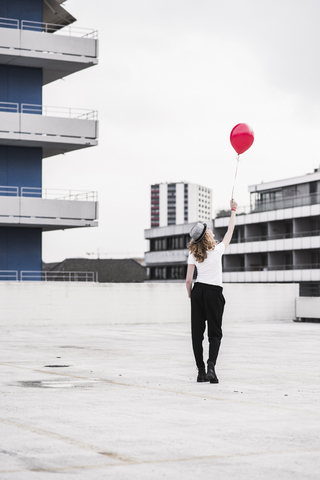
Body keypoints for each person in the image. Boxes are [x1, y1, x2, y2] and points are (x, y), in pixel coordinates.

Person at [186, 198, 238, 383]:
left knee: (197, 334)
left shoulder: (193, 254)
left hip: (198, 291)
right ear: (207, 235)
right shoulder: (217, 250)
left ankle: (200, 371)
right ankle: (211, 367)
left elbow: (188, 280)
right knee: (214, 333)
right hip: (214, 293)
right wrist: (233, 210)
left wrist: (192, 295)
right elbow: (230, 231)